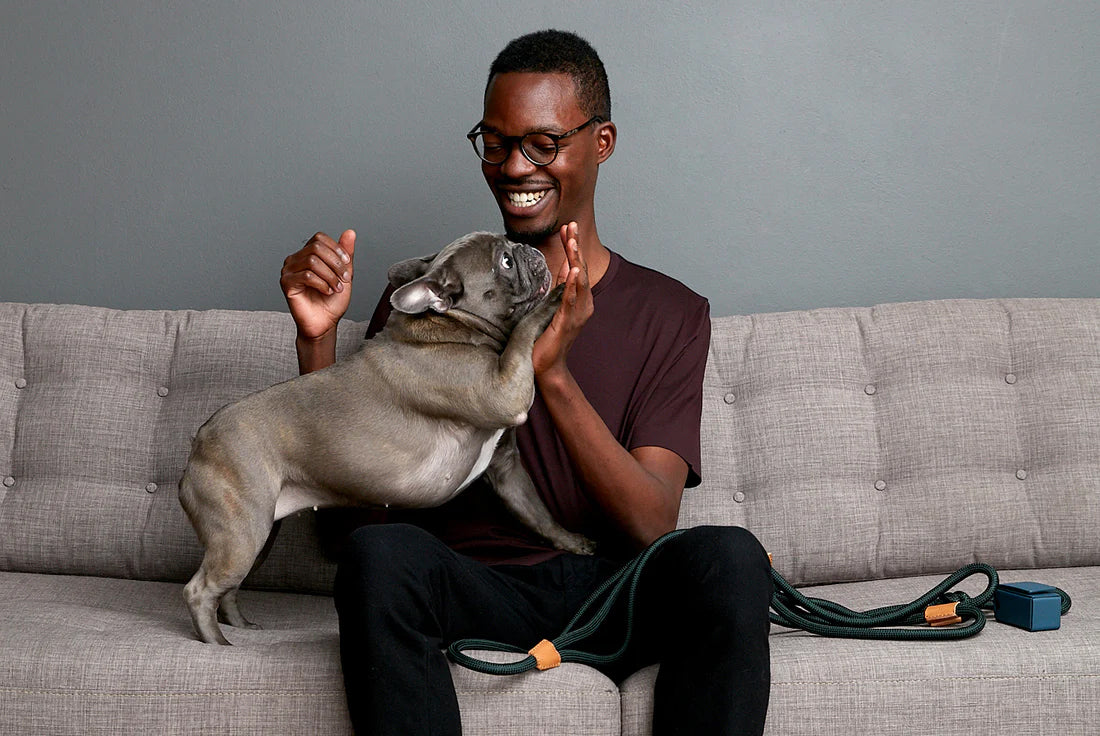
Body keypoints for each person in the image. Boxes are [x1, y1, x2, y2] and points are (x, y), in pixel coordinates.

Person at [279, 29, 771, 735]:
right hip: (475, 587)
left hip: (616, 595)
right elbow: (348, 532)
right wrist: (317, 342)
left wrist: (552, 374)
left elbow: (650, 523)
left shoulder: (671, 312)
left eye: (543, 144)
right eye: (495, 142)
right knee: (378, 558)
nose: (514, 166)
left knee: (730, 557)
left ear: (601, 142)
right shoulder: (432, 296)